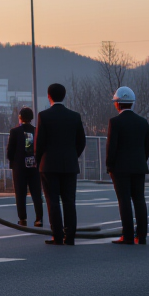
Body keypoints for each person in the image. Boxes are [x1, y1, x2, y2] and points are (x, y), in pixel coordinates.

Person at [35, 83, 86, 246]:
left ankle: (57, 236)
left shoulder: (44, 116)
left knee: (53, 201)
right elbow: (81, 141)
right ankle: (70, 236)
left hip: (49, 164)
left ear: (48, 96)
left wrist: (39, 161)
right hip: (70, 164)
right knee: (69, 201)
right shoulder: (75, 116)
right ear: (64, 96)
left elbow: (39, 143)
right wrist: (73, 155)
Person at [105, 86, 149, 245]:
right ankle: (142, 235)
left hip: (120, 168)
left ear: (117, 103)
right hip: (139, 166)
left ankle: (128, 235)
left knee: (124, 200)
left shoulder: (115, 122)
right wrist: (142, 160)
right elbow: (148, 145)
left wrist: (109, 166)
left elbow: (111, 146)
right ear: (132, 103)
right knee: (139, 200)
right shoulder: (143, 122)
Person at [6, 107, 43, 227]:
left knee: (20, 193)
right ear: (32, 118)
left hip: (19, 167)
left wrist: (14, 161)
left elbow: (10, 152)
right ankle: (39, 219)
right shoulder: (37, 131)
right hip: (34, 167)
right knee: (36, 193)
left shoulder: (15, 132)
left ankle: (22, 218)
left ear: (20, 117)